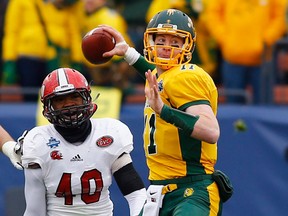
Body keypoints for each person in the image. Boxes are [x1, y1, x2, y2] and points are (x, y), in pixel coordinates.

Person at [101, 9, 226, 215]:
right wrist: (128, 53)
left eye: (175, 43)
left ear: (187, 46)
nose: (166, 48)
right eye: (161, 41)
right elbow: (159, 80)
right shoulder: (166, 77)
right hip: (160, 192)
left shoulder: (187, 76)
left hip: (191, 191)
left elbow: (211, 131)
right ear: (150, 42)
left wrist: (163, 111)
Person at [18, 67, 146, 215]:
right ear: (48, 106)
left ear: (86, 97)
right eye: (60, 99)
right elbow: (35, 211)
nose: (68, 104)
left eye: (74, 96)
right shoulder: (38, 141)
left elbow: (136, 194)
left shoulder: (110, 132)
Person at [205, 0, 286, 104]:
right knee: (233, 108)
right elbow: (212, 14)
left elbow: (281, 15)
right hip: (233, 58)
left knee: (263, 107)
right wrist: (224, 38)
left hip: (263, 60)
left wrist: (267, 40)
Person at [1, 0, 83, 101]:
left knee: (56, 97)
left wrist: (77, 59)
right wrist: (10, 60)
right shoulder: (19, 2)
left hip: (55, 58)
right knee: (30, 96)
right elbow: (12, 32)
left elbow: (74, 33)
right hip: (28, 58)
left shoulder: (65, 4)